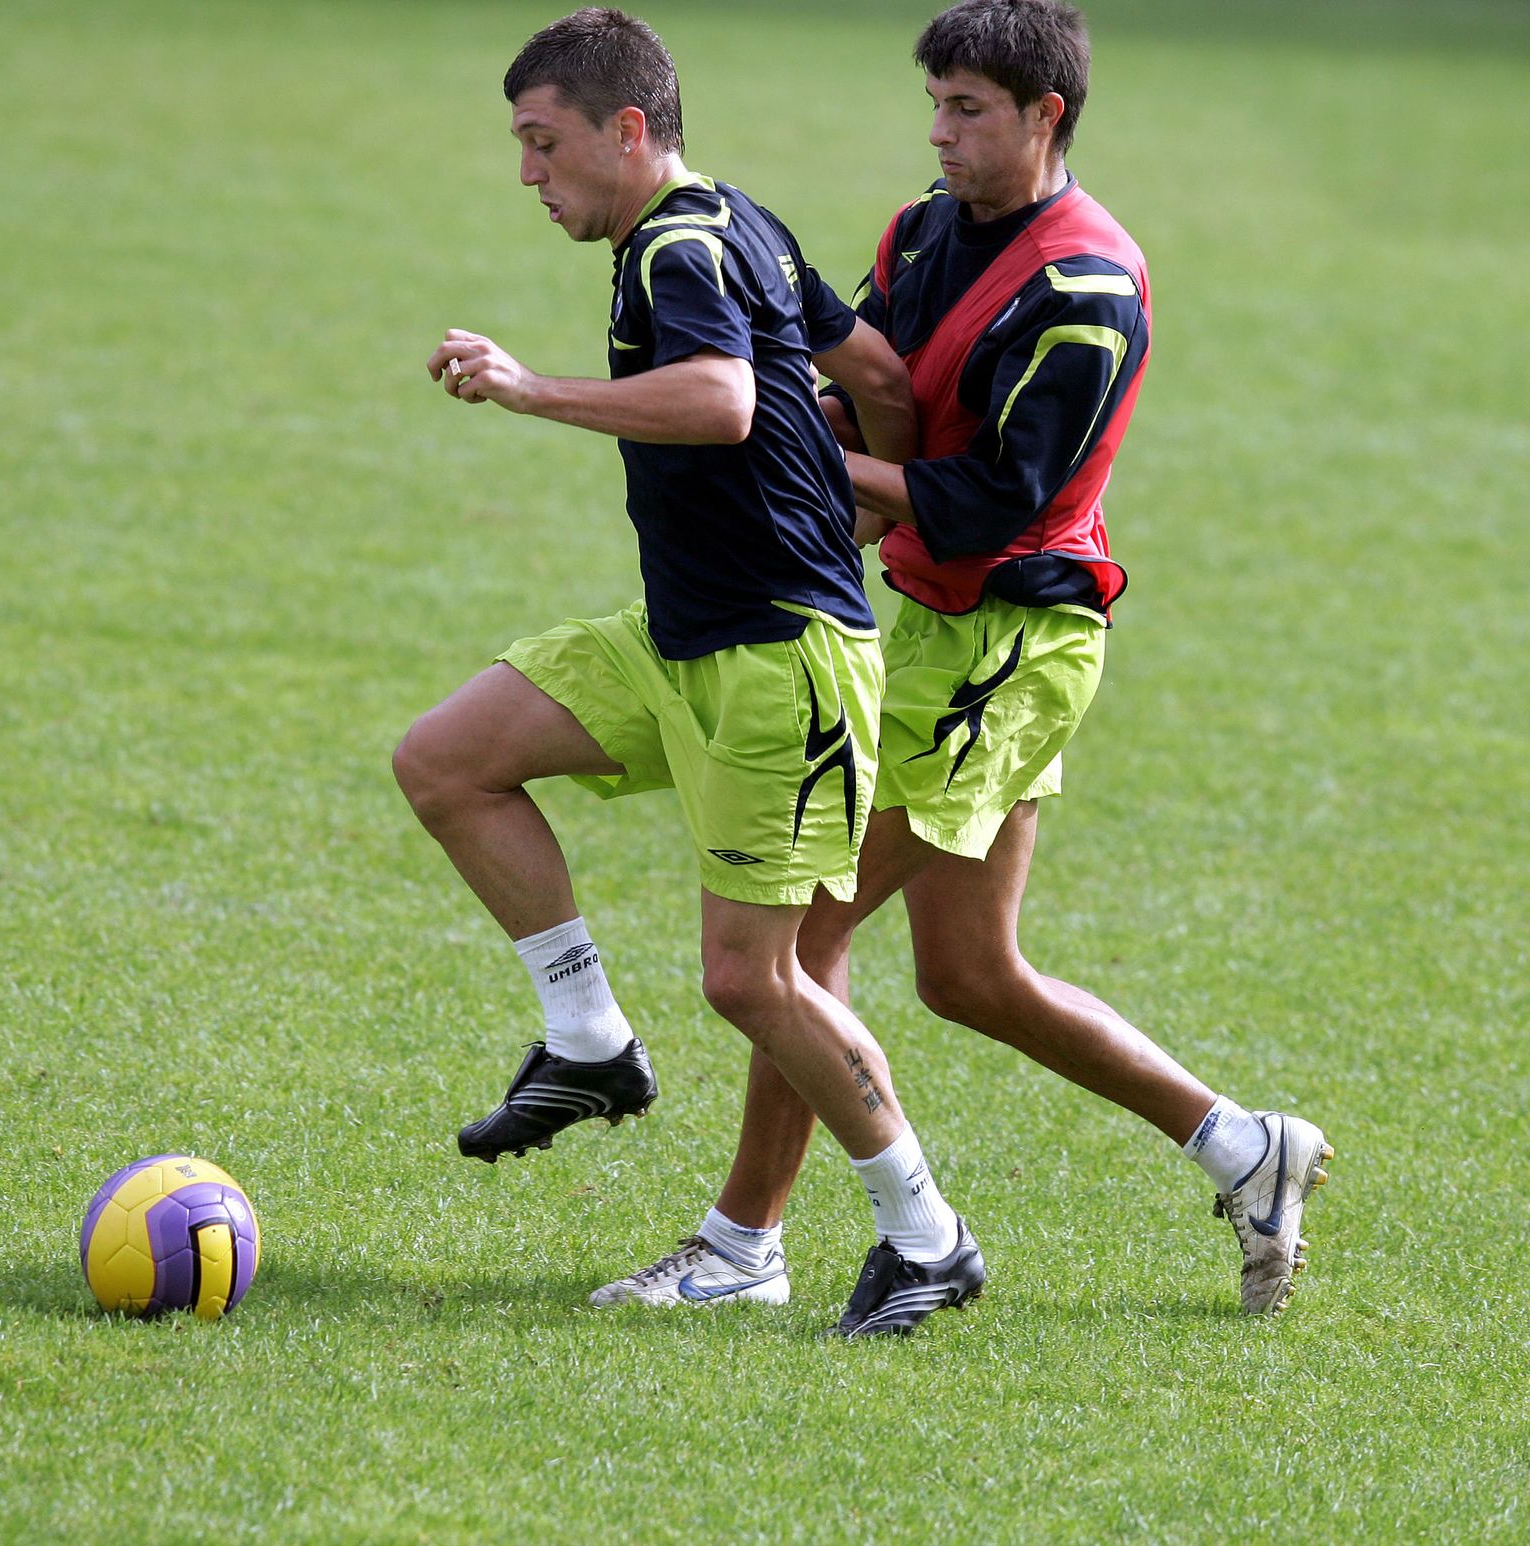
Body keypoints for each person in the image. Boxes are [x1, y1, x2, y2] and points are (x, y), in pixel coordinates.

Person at [593, 0, 1332, 1321]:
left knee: (797, 945)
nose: (939, 133)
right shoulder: (923, 230)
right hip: (929, 627)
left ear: (1050, 116)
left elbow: (992, 500)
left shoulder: (1088, 291)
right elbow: (872, 384)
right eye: (933, 103)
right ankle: (1244, 1146)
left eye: (970, 110)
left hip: (1012, 643)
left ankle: (739, 1246)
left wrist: (788, 459)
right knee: (968, 975)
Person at [395, 7, 985, 1337]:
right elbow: (876, 370)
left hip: (782, 665)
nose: (529, 178)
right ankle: (590, 1038)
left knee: (754, 978)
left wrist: (526, 387)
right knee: (447, 758)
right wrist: (865, 508)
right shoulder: (743, 220)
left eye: (545, 147)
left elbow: (719, 400)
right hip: (681, 637)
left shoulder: (679, 249)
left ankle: (925, 1232)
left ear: (627, 128)